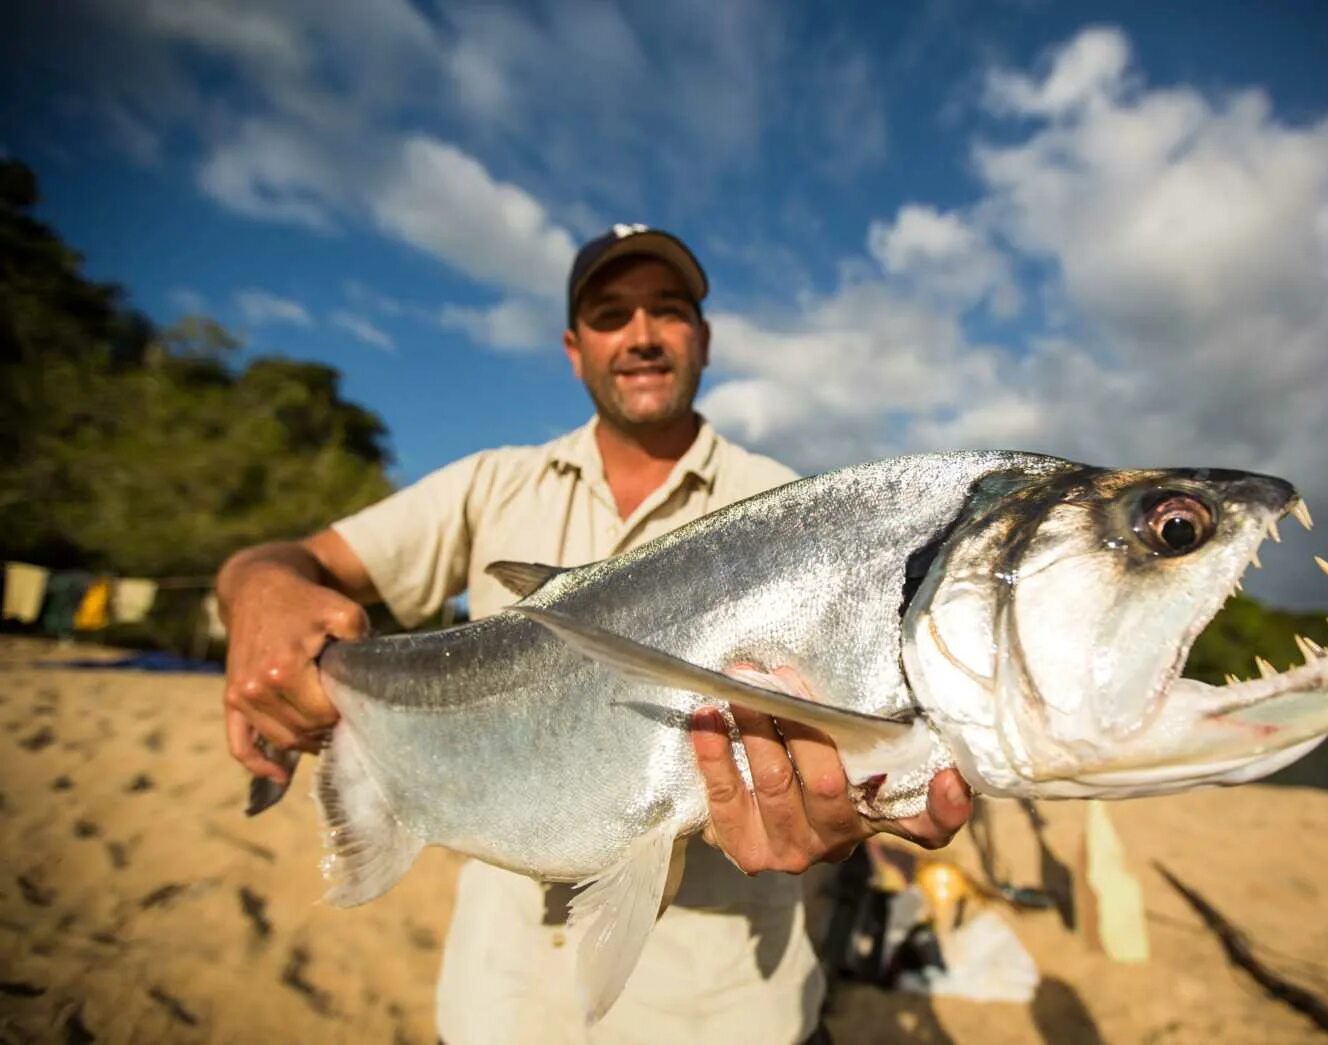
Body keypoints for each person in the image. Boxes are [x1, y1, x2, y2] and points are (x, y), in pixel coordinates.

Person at [216, 224, 973, 1044]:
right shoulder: (489, 483)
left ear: (704, 339)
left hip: (728, 1016)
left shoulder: (789, 510)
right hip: (496, 1009)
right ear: (576, 349)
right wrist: (257, 591)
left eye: (668, 310)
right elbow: (291, 562)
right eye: (612, 315)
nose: (642, 334)